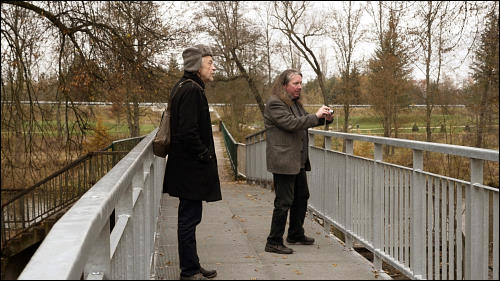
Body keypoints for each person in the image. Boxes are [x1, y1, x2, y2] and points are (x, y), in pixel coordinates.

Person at [163, 44, 221, 280]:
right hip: (190, 169)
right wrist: (205, 154)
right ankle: (188, 271)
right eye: (209, 63)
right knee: (188, 219)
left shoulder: (184, 87)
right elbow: (187, 132)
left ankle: (193, 266)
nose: (213, 67)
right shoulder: (191, 91)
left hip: (185, 168)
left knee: (190, 217)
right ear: (197, 65)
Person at [263, 69, 333, 255]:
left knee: (301, 196)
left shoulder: (294, 103)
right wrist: (315, 116)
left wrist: (324, 119)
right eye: (296, 83)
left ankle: (295, 233)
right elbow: (292, 124)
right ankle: (273, 241)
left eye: (301, 83)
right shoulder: (275, 103)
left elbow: (303, 121)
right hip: (284, 160)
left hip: (297, 160)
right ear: (284, 85)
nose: (300, 87)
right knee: (284, 201)